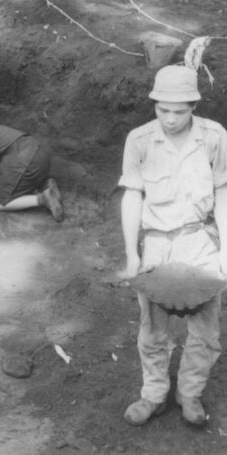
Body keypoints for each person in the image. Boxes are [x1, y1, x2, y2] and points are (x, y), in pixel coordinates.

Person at [118, 64, 227, 426]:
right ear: (154, 105)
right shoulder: (140, 140)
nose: (170, 119)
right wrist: (132, 254)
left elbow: (223, 193)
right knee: (152, 328)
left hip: (200, 242)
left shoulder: (214, 137)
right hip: (157, 244)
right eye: (162, 110)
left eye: (179, 112)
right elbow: (132, 195)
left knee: (206, 331)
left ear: (194, 106)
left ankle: (190, 395)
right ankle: (154, 395)